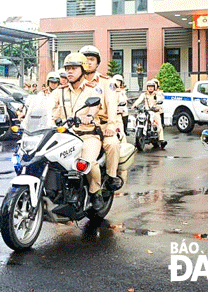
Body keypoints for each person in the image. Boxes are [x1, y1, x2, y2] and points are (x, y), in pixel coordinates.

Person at [52, 53, 122, 212]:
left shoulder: (95, 88)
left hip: (88, 133)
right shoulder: (60, 91)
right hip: (65, 135)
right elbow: (50, 110)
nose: (70, 72)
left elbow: (98, 107)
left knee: (89, 161)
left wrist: (89, 117)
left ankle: (96, 192)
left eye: (74, 68)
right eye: (67, 69)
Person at [131, 80, 167, 149]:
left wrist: (158, 107)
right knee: (138, 119)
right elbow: (139, 100)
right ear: (147, 87)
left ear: (154, 87)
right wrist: (134, 105)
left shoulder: (157, 94)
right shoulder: (144, 94)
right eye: (149, 87)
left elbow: (160, 100)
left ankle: (161, 140)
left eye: (152, 87)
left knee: (158, 124)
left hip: (155, 112)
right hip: (146, 111)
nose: (150, 88)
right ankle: (137, 139)